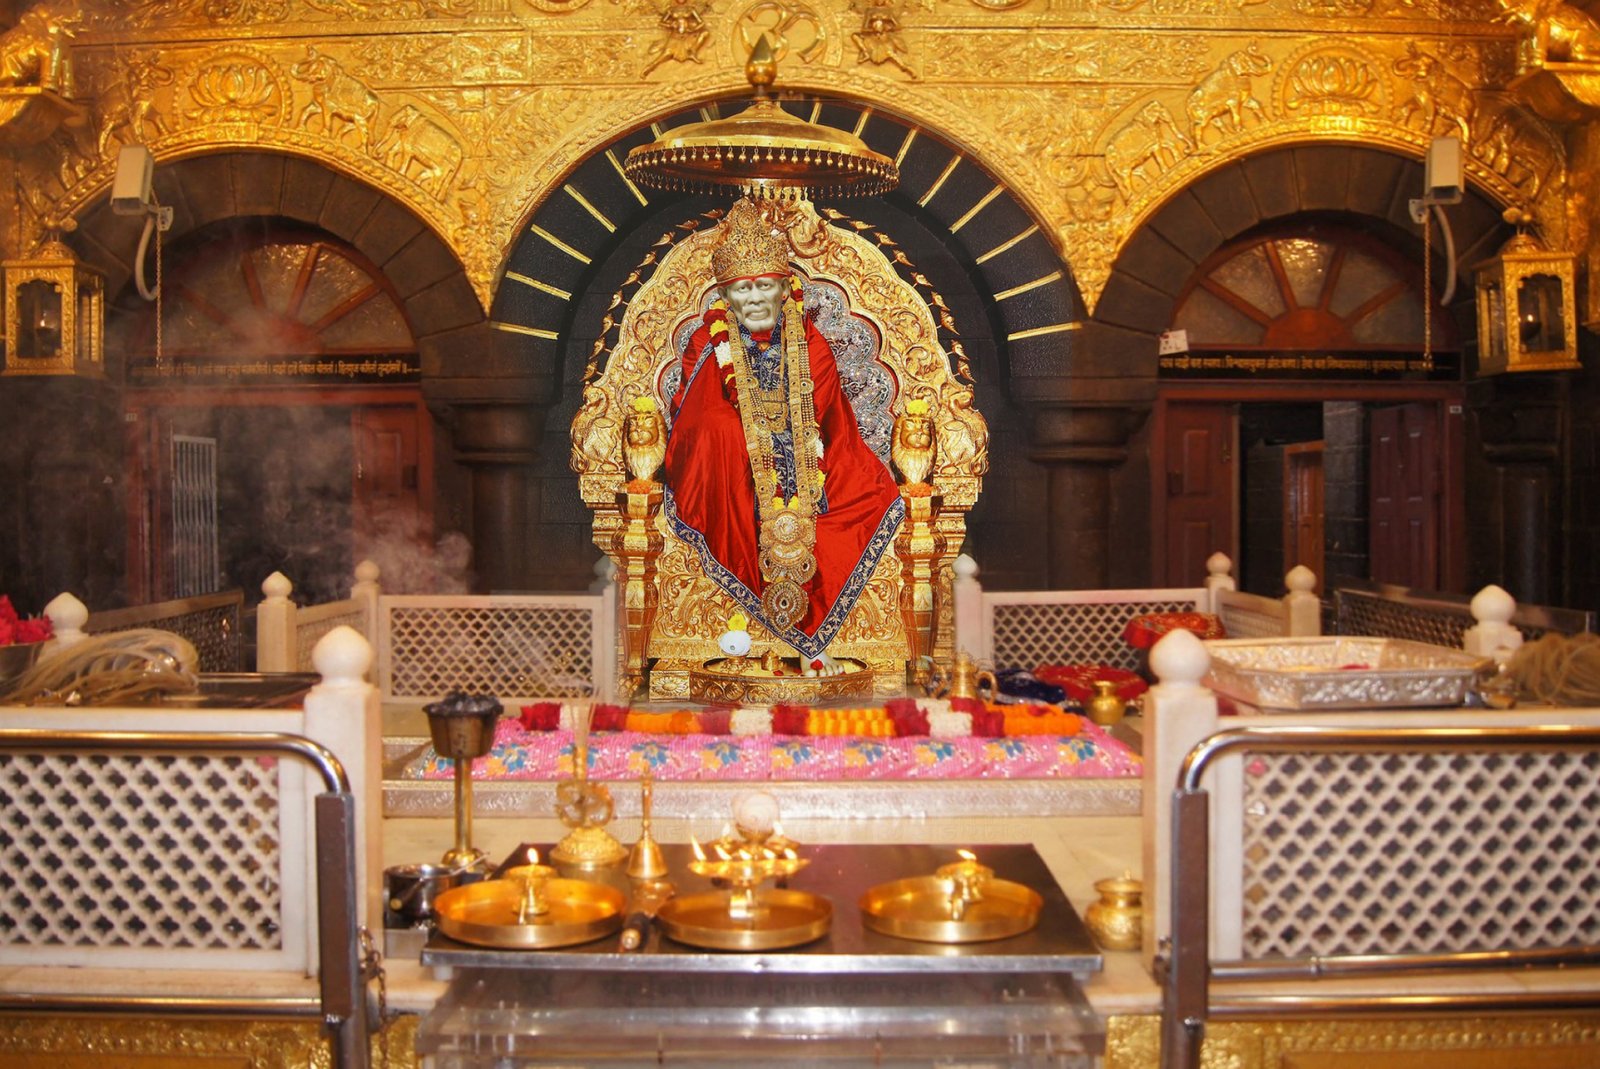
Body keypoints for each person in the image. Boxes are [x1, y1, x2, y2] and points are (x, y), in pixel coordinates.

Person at [663, 198, 903, 677]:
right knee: (721, 434)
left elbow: (825, 413)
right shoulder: (707, 342)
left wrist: (787, 452)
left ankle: (818, 637)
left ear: (784, 289)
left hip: (815, 462)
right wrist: (748, 442)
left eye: (764, 286)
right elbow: (697, 418)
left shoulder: (810, 341)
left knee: (872, 499)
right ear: (725, 297)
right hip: (732, 474)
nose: (754, 299)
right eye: (743, 289)